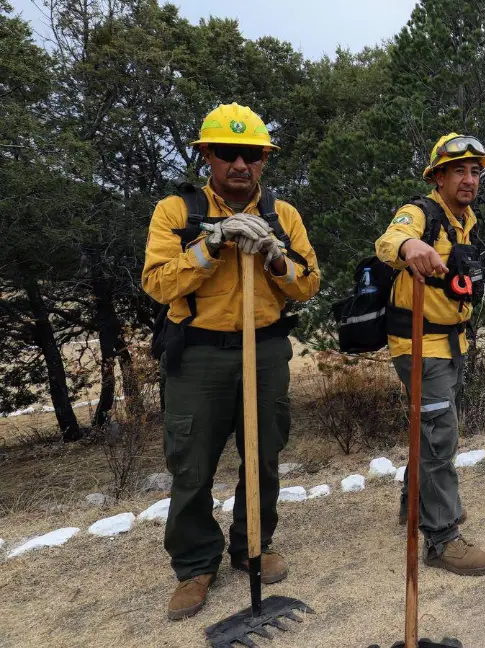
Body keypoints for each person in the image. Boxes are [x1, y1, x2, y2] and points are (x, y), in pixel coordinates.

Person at [142, 103, 320, 620]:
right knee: (191, 464)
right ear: (207, 157)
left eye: (252, 156)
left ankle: (253, 547)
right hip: (198, 355)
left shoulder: (282, 216)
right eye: (228, 154)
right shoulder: (177, 211)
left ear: (264, 161)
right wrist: (210, 244)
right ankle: (196, 564)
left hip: (264, 350)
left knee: (263, 455)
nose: (240, 165)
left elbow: (308, 284)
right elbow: (157, 283)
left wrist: (275, 256)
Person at [375, 133, 485, 575]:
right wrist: (411, 247)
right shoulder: (419, 213)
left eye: (475, 172)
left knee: (429, 429)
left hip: (451, 341)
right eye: (459, 171)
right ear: (438, 176)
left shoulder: (465, 221)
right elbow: (389, 240)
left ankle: (414, 504)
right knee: (440, 436)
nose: (469, 180)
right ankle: (442, 538)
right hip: (420, 345)